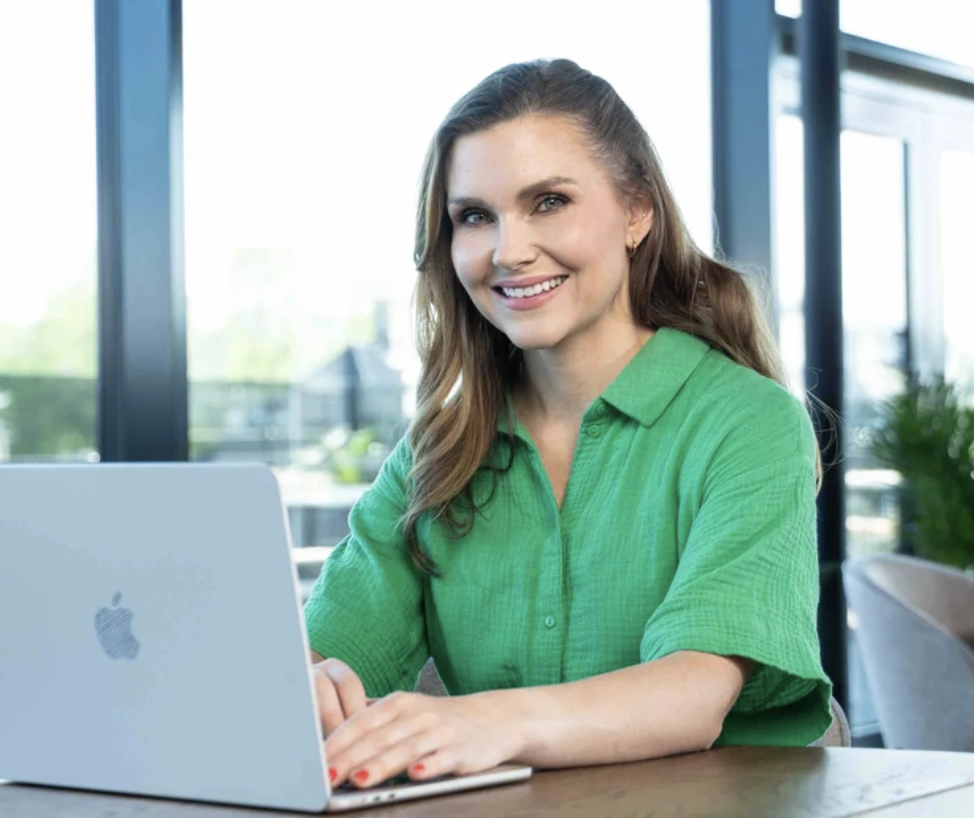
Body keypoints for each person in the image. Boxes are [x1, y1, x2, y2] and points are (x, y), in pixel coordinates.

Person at [303, 58, 831, 791]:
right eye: (474, 216)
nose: (508, 251)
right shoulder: (441, 447)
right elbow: (323, 652)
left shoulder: (746, 422)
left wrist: (482, 722)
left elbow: (693, 693)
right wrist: (302, 685)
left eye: (548, 202)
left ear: (637, 212)